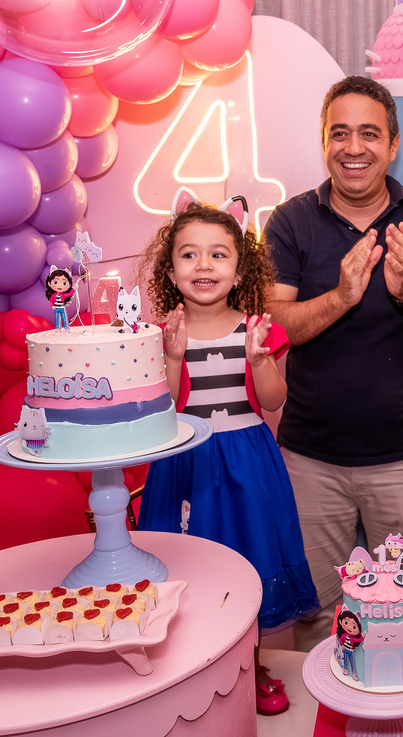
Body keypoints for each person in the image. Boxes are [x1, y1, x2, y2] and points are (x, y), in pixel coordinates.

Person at [262, 76, 403, 650]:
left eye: (369, 133)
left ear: (394, 143)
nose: (353, 147)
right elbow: (269, 325)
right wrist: (341, 296)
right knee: (315, 617)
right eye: (340, 133)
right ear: (323, 141)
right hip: (309, 458)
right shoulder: (290, 221)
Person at [136, 194, 319, 716]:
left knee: (251, 563)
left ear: (240, 270)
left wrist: (259, 359)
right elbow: (162, 410)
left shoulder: (257, 330)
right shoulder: (162, 335)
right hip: (185, 466)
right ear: (171, 270)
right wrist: (171, 357)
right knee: (187, 570)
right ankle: (190, 672)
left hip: (247, 465)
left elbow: (274, 400)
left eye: (219, 254)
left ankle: (251, 670)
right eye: (189, 254)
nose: (204, 265)